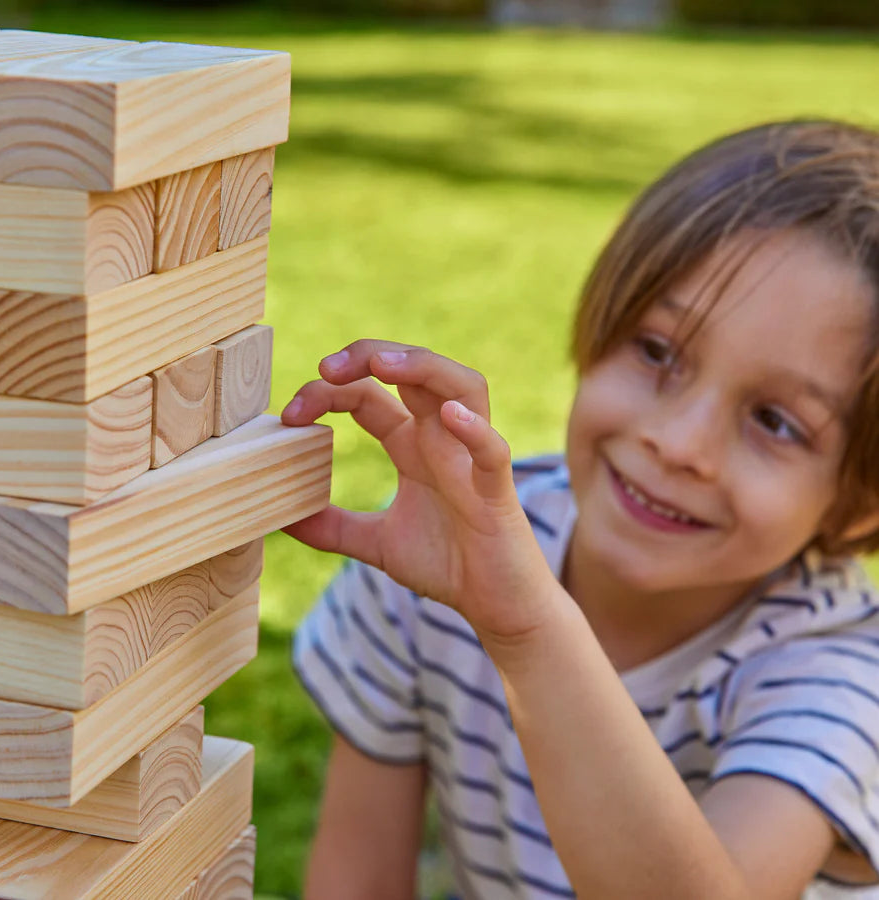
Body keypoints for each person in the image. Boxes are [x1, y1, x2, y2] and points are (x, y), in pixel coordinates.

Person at [282, 120, 879, 899]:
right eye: (659, 351)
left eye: (775, 421)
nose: (679, 443)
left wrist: (526, 627)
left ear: (859, 509)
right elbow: (356, 881)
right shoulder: (438, 554)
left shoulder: (843, 674)